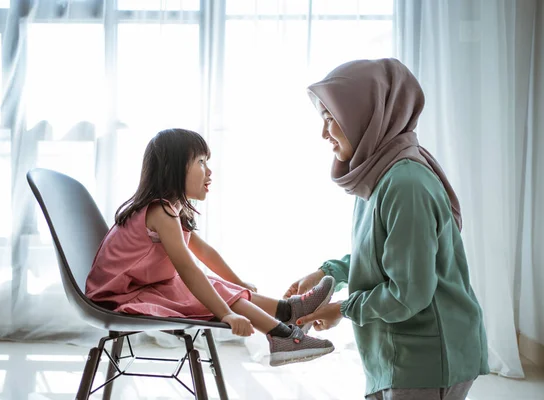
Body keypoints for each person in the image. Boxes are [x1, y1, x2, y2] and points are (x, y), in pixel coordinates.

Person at [284, 59, 489, 399]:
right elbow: (382, 254)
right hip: (400, 353)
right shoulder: (377, 174)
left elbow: (408, 291)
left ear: (364, 116)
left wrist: (343, 309)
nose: (324, 133)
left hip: (428, 356)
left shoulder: (405, 183)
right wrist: (329, 273)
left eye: (330, 118)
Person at [86, 128, 335, 367]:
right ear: (173, 169)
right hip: (118, 296)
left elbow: (205, 253)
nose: (209, 171)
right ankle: (282, 333)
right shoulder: (159, 211)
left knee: (216, 286)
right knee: (208, 287)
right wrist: (226, 314)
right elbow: (187, 268)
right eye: (201, 162)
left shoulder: (171, 210)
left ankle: (288, 312)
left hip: (138, 286)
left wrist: (238, 283)